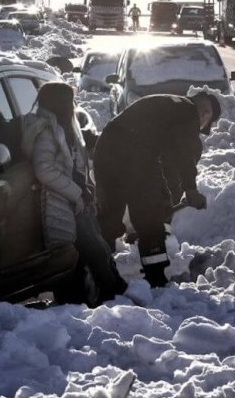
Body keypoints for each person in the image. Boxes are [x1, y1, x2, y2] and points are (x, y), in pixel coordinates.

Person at [92, 93, 220, 288]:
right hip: (133, 155)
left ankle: (99, 277)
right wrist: (191, 190)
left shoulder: (170, 108)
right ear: (202, 113)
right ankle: (157, 279)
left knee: (109, 217)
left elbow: (168, 165)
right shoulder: (187, 113)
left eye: (207, 114)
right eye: (205, 113)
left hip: (106, 151)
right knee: (150, 221)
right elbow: (184, 155)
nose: (203, 117)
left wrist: (165, 196)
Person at [21, 82, 127, 305]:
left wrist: (86, 192)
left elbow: (75, 165)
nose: (73, 105)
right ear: (61, 103)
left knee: (85, 251)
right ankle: (114, 296)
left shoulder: (64, 127)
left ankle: (81, 300)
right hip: (63, 202)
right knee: (94, 250)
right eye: (70, 101)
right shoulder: (47, 132)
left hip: (77, 199)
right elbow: (44, 169)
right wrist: (75, 194)